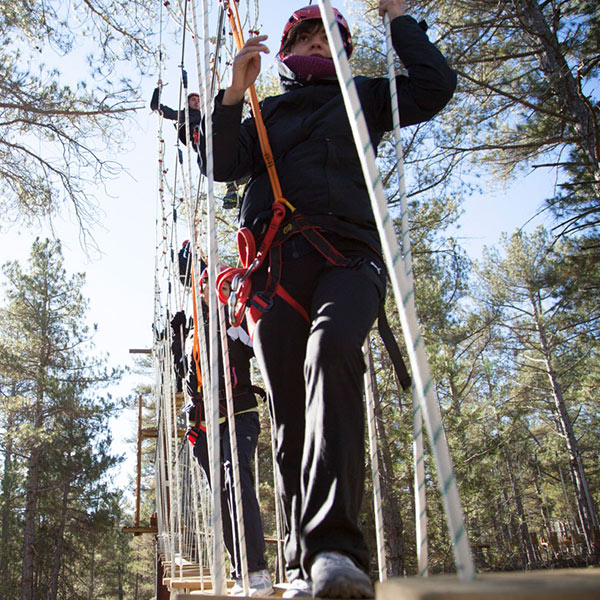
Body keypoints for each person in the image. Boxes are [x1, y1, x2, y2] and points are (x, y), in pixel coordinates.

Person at [198, 1, 457, 597]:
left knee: (333, 349)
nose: (318, 48)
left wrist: (396, 20)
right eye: (308, 40)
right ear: (289, 54)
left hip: (349, 255)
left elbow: (433, 87)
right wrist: (233, 93)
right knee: (290, 415)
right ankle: (301, 563)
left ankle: (336, 549)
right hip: (277, 269)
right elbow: (218, 161)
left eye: (328, 41)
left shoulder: (364, 98)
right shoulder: (266, 114)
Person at [170, 268, 273, 597]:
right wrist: (174, 337)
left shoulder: (233, 319)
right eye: (206, 286)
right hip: (202, 427)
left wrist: (251, 310)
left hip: (237, 413)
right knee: (221, 496)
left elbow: (262, 343)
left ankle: (256, 569)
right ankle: (240, 571)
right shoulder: (190, 334)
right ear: (198, 292)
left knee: (236, 479)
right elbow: (183, 378)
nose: (212, 290)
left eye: (220, 285)